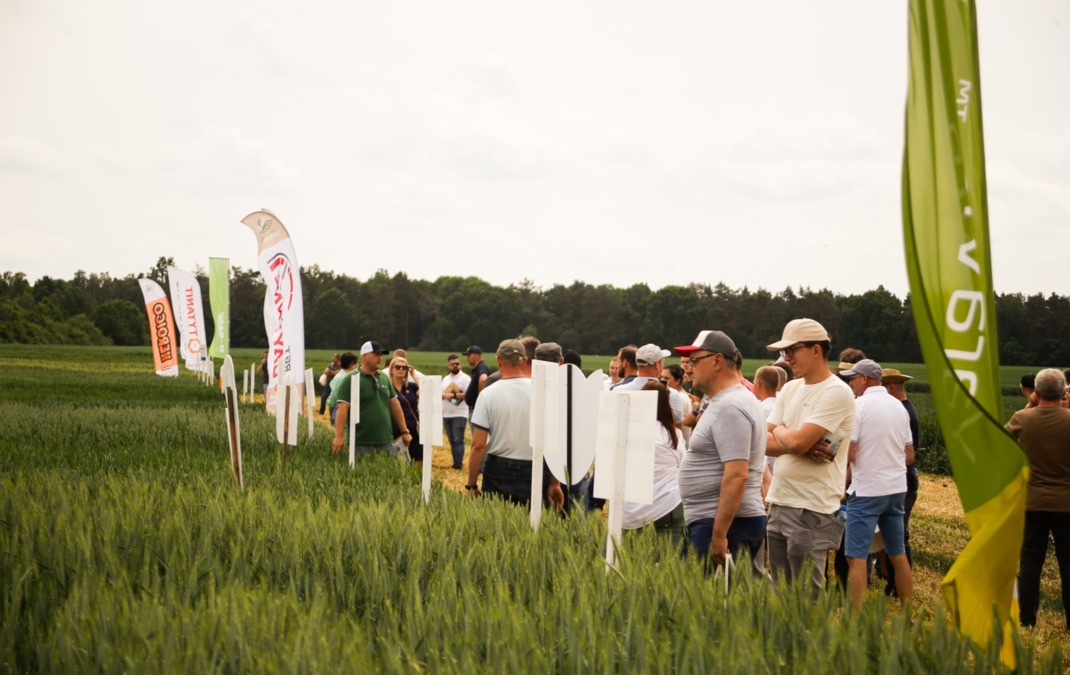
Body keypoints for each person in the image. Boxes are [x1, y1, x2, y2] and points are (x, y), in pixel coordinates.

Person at [764, 318, 856, 598]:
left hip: (811, 508)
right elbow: (763, 442)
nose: (787, 358)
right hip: (779, 501)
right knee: (780, 595)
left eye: (793, 350)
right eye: (784, 352)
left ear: (817, 350)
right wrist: (793, 440)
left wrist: (786, 435)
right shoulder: (791, 388)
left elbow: (795, 440)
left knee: (805, 598)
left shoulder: (837, 391)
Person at [677, 330, 767, 573]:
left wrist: (719, 534)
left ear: (716, 361)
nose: (688, 368)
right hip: (718, 522)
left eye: (695, 361)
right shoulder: (727, 401)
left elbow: (737, 474)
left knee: (709, 606)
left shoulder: (731, 406)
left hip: (725, 526)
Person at [839, 359, 913, 612]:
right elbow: (909, 453)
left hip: (867, 490)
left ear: (866, 379)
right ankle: (907, 613)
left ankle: (855, 616)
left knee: (855, 555)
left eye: (853, 378)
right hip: (895, 489)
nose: (850, 383)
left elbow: (849, 453)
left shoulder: (858, 406)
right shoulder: (899, 406)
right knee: (897, 553)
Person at [1005, 368, 1070, 629]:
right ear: (1064, 392)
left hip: (1032, 502)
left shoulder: (1022, 418)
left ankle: (1027, 620)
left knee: (1031, 562)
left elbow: (1001, 443)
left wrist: (1031, 404)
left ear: (1036, 392)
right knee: (1068, 563)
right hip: (1067, 503)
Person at [466, 339, 563, 507]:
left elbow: (478, 445)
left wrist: (471, 483)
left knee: (495, 526)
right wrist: (555, 483)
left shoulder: (487, 395)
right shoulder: (545, 392)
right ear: (525, 360)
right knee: (533, 527)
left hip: (498, 469)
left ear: (498, 360)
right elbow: (554, 441)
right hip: (536, 467)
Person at [622, 380, 685, 539]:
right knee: (671, 561)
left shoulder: (626, 430)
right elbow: (682, 465)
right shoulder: (673, 434)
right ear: (667, 404)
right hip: (668, 504)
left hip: (632, 509)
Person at [331, 341, 412, 458]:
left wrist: (404, 431)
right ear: (364, 356)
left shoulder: (384, 378)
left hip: (386, 441)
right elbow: (342, 409)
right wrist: (339, 437)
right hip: (360, 443)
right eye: (376, 354)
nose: (380, 358)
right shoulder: (351, 379)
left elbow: (395, 405)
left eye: (381, 355)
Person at [880, 367, 920, 597]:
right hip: (904, 479)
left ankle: (898, 586)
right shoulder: (905, 409)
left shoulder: (903, 412)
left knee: (899, 535)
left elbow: (907, 455)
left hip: (903, 480)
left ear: (891, 387)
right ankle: (893, 582)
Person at [387, 354, 421, 462]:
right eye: (397, 367)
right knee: (400, 462)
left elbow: (425, 393)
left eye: (404, 367)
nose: (401, 369)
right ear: (391, 370)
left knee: (418, 460)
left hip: (414, 429)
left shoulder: (410, 386)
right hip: (396, 429)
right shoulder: (388, 387)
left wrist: (414, 377)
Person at [441, 354, 471, 469]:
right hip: (446, 414)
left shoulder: (465, 378)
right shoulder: (445, 379)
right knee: (451, 440)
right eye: (453, 364)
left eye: (457, 364)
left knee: (458, 439)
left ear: (460, 364)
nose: (455, 366)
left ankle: (458, 464)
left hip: (459, 413)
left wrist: (453, 395)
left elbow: (469, 395)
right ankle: (455, 462)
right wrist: (443, 395)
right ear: (448, 365)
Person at [325, 352, 358, 425]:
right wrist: (332, 416)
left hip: (338, 413)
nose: (357, 366)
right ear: (352, 364)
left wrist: (331, 416)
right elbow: (332, 400)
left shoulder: (339, 376)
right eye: (356, 363)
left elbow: (331, 402)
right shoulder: (344, 378)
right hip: (342, 414)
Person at [464, 346, 491, 416]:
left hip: (476, 410)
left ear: (476, 355)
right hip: (474, 409)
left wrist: (480, 400)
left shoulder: (481, 367)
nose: (467, 358)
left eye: (469, 355)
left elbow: (483, 379)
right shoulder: (478, 368)